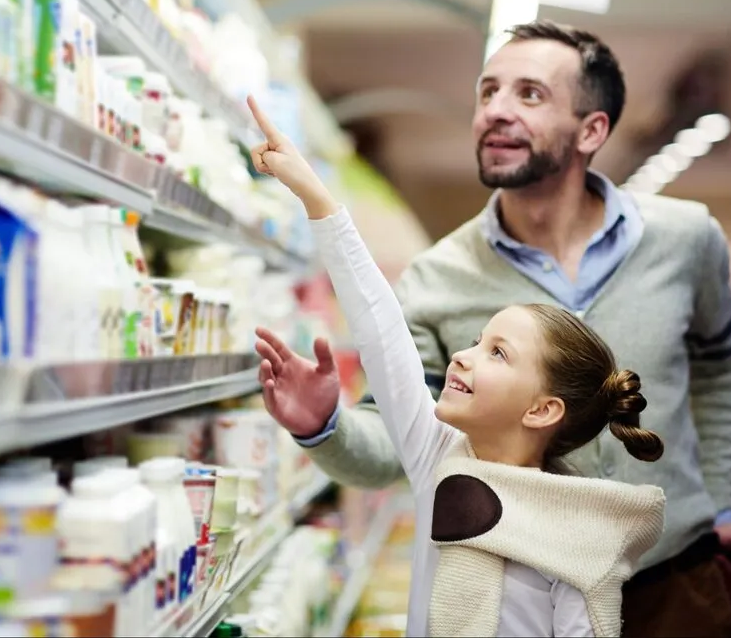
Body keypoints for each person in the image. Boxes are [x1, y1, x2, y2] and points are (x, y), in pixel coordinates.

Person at [253, 20, 731, 637]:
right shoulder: (438, 280)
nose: (495, 110)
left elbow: (720, 369)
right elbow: (389, 388)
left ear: (591, 130)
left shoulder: (688, 240)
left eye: (528, 94)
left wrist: (721, 500)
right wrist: (325, 427)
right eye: (487, 91)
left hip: (679, 578)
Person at [246, 94, 666, 637]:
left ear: (542, 409)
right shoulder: (439, 459)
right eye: (476, 339)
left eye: (497, 353)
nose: (462, 356)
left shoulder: (578, 536)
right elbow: (381, 329)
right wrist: (315, 196)